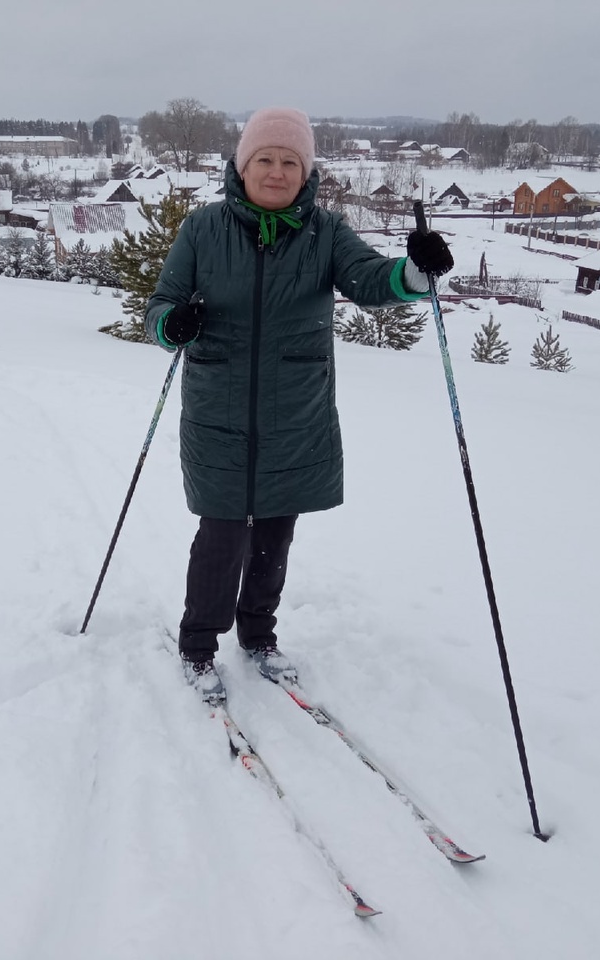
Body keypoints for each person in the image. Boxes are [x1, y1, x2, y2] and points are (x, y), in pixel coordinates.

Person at [144, 107, 454, 700]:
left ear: (306, 171)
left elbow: (368, 280)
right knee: (223, 532)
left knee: (275, 532)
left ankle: (258, 635)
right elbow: (160, 307)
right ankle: (198, 644)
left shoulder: (327, 231)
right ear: (243, 165)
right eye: (266, 158)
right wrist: (173, 324)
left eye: (291, 161)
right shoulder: (203, 229)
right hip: (219, 408)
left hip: (296, 411)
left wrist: (416, 271)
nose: (278, 170)